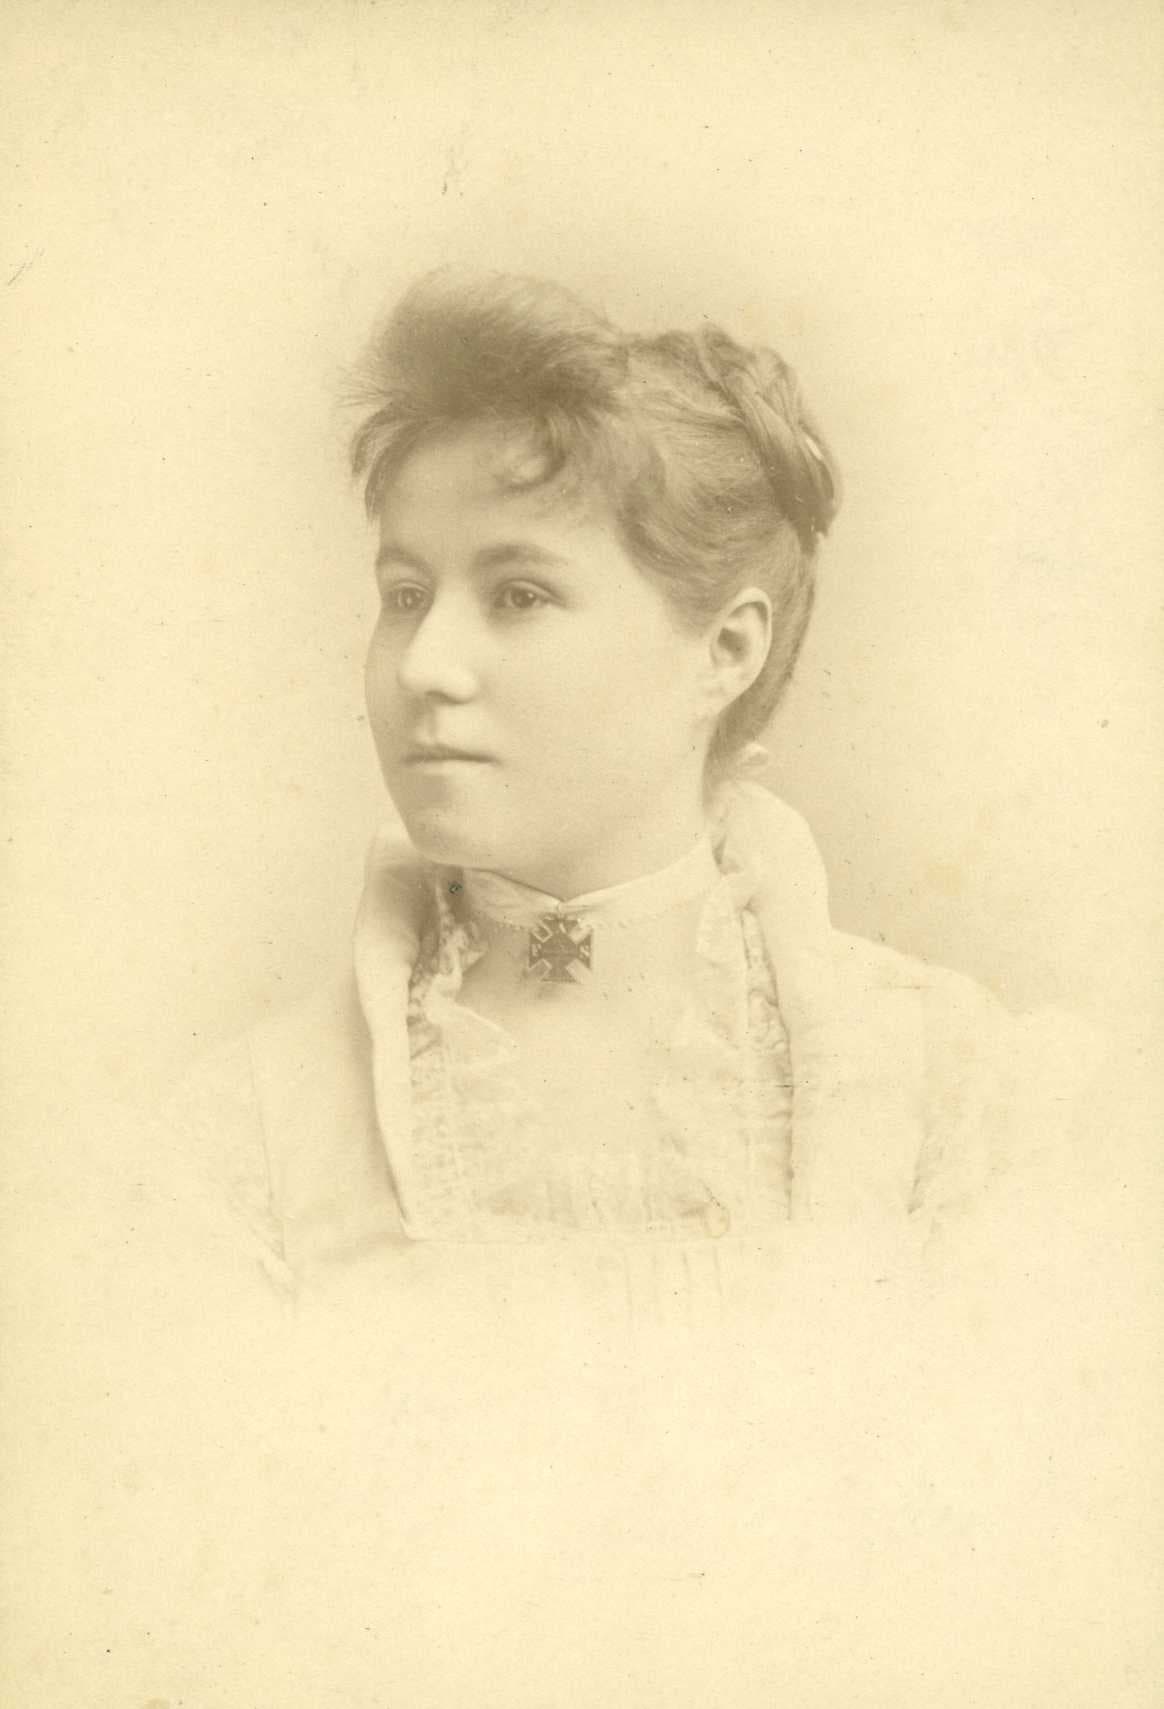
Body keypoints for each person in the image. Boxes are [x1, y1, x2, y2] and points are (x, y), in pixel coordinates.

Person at [161, 267, 1095, 1311]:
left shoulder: (954, 1095)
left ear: (725, 649)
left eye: (519, 594)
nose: (425, 664)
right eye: (405, 594)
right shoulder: (257, 1132)